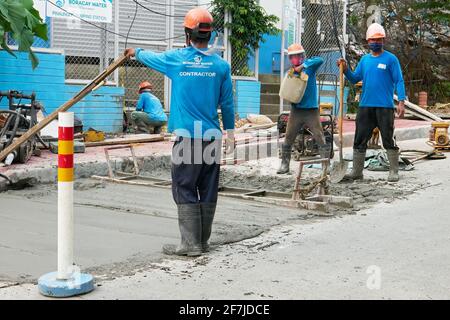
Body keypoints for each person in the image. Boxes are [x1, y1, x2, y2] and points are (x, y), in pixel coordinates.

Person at [124, 7, 235, 257]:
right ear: (209, 34)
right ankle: (202, 242)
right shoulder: (221, 66)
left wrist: (135, 52)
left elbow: (150, 57)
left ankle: (189, 244)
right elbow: (227, 104)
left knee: (184, 186)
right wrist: (231, 133)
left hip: (188, 138)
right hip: (212, 137)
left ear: (188, 33)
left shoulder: (177, 60)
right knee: (207, 187)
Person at [337, 23, 406, 182]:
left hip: (385, 107)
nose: (376, 42)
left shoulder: (391, 59)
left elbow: (399, 81)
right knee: (360, 138)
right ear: (367, 41)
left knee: (388, 138)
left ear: (383, 40)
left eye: (379, 39)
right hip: (365, 106)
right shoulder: (365, 60)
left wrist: (401, 102)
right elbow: (355, 79)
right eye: (373, 40)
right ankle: (357, 171)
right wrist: (346, 69)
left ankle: (393, 170)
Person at [277, 43, 329, 174]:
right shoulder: (291, 72)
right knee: (289, 136)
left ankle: (325, 165)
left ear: (302, 56)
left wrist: (303, 66)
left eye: (297, 56)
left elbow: (320, 60)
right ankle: (284, 164)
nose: (294, 59)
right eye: (292, 57)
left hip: (311, 110)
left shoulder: (309, 68)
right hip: (296, 110)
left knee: (319, 136)